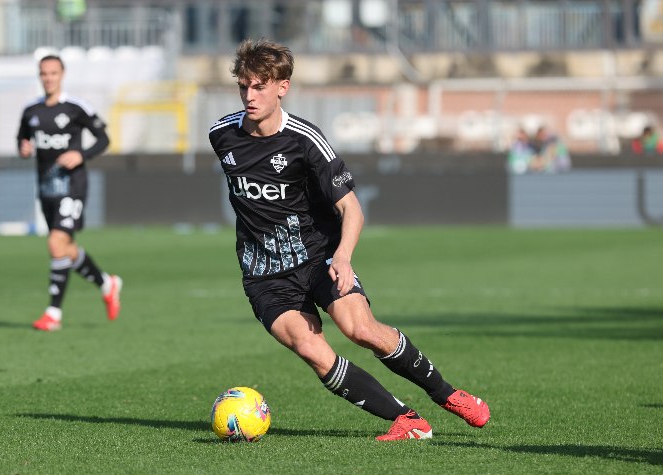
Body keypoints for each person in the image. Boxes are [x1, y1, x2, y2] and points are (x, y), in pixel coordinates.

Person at [208, 39, 490, 441]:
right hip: (263, 273)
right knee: (312, 350)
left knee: (359, 329)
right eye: (244, 86)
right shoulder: (221, 135)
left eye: (260, 86)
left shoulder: (306, 140)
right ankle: (407, 420)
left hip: (319, 258)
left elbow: (351, 208)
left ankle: (446, 394)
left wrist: (342, 257)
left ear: (282, 87)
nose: (249, 96)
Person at [17, 54, 122, 331]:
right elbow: (22, 139)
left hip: (73, 185)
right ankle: (107, 283)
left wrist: (81, 154)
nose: (48, 78)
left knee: (55, 242)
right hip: (46, 187)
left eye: (53, 73)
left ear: (62, 75)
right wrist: (24, 149)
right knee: (64, 247)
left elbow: (104, 139)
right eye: (43, 73)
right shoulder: (31, 111)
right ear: (39, 76)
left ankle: (53, 313)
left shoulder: (76, 108)